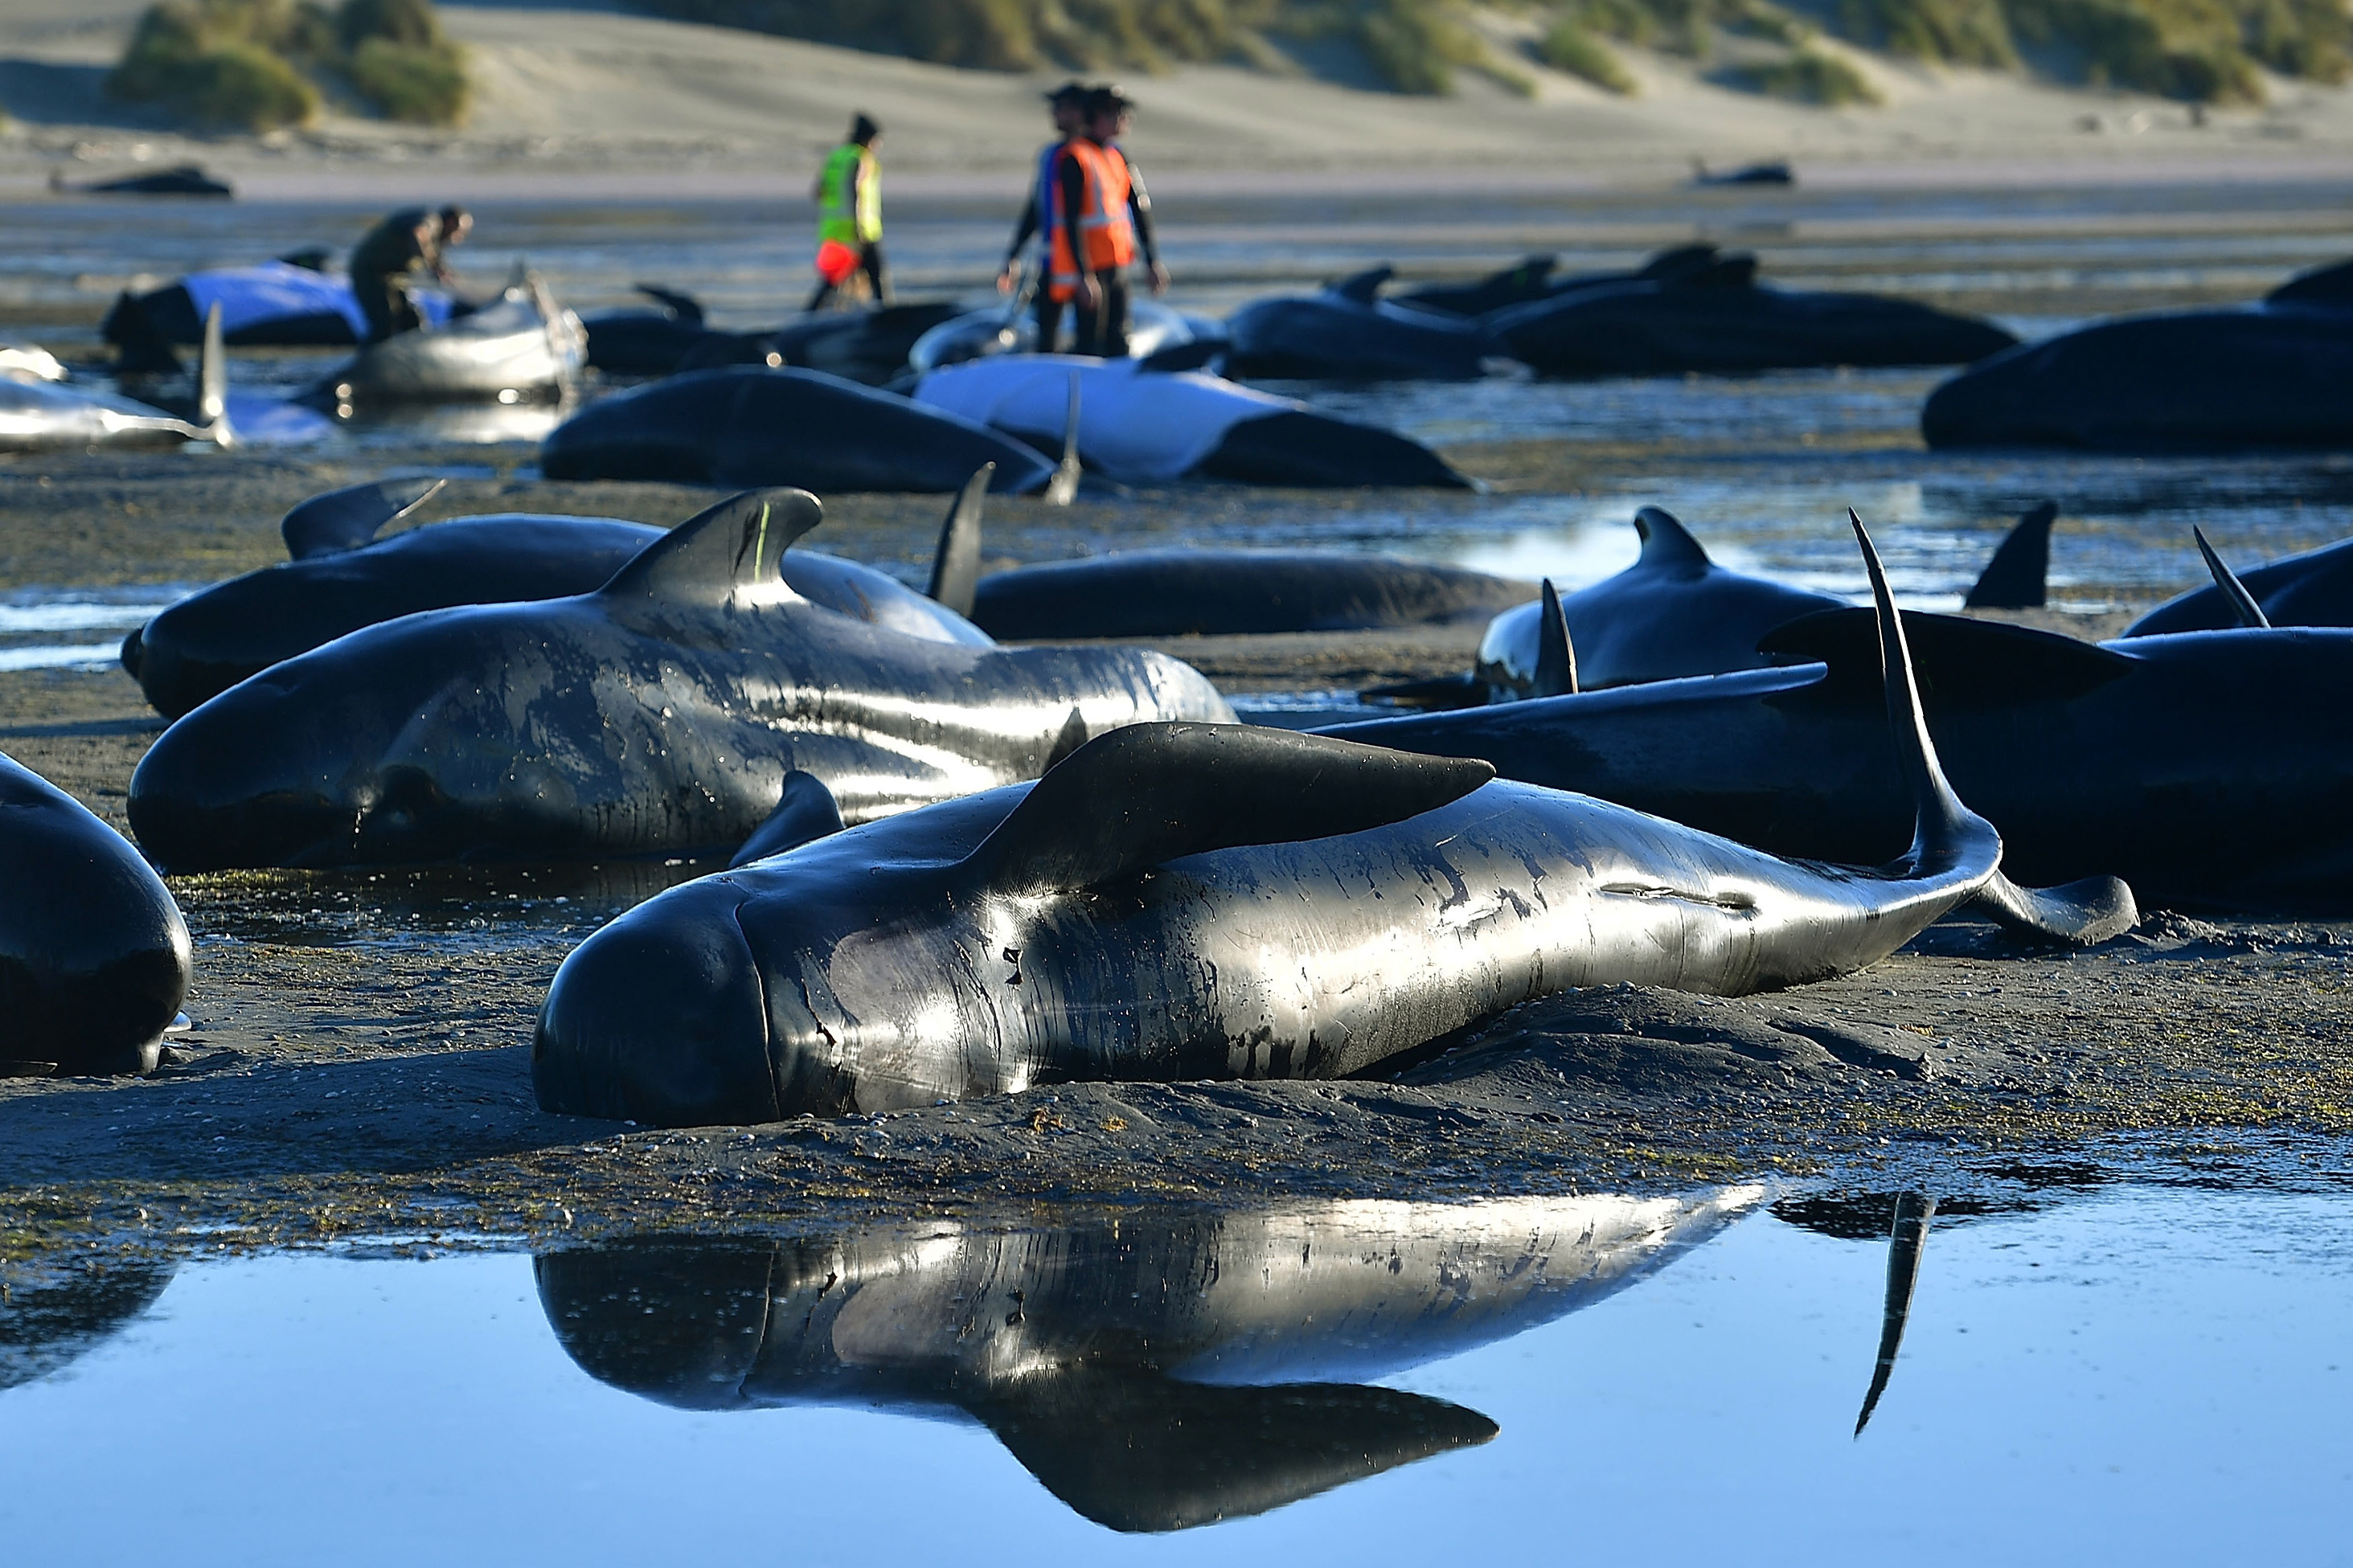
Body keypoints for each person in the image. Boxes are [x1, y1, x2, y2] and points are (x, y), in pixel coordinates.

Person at [1046, 86, 1151, 358]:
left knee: (1118, 334)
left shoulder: (1117, 155)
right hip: (1090, 267)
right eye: (1117, 113)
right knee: (1090, 338)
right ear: (1098, 115)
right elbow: (1070, 221)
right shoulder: (1075, 157)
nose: (1125, 119)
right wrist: (1083, 276)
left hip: (1116, 263)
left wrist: (1152, 261)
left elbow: (1138, 207)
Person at [997, 81, 1089, 352]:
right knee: (1046, 332)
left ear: (1079, 113)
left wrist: (1085, 272)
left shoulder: (1091, 156)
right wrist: (1014, 254)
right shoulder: (1050, 155)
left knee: (1089, 338)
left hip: (1090, 262)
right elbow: (1036, 209)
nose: (1055, 114)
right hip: (1053, 261)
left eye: (1061, 108)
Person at [348, 204, 470, 344]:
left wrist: (441, 270)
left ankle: (416, 352)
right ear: (450, 222)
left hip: (393, 277)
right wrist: (431, 266)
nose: (458, 238)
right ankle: (371, 356)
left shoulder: (435, 239)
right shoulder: (431, 221)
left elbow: (434, 256)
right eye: (459, 231)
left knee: (412, 318)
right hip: (370, 272)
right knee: (384, 322)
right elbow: (418, 233)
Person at [809, 114, 887, 311]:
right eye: (877, 140)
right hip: (860, 232)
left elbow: (818, 192)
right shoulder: (861, 158)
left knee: (832, 281)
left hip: (833, 231)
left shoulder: (836, 157)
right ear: (868, 139)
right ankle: (887, 317)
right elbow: (854, 191)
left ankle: (808, 316)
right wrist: (858, 226)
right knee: (877, 277)